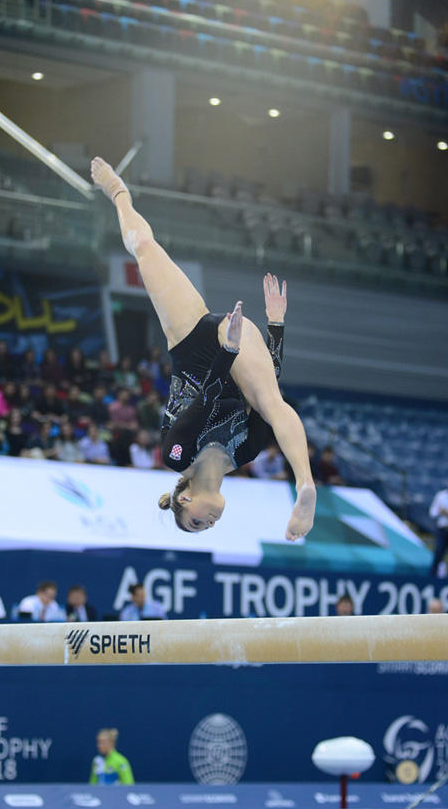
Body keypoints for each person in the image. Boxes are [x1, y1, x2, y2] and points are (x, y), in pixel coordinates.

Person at [91, 156, 315, 540]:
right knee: (270, 402)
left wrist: (225, 350)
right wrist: (276, 326)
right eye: (208, 527)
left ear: (183, 500)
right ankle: (305, 485)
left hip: (192, 343)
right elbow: (266, 382)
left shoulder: (175, 456)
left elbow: (205, 403)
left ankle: (117, 193)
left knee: (144, 246)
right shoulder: (247, 452)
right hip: (236, 356)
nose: (208, 523)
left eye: (196, 522)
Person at [429, 482, 448, 577]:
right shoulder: (440, 495)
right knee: (438, 554)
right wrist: (441, 511)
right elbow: (432, 512)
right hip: (442, 530)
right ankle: (432, 579)